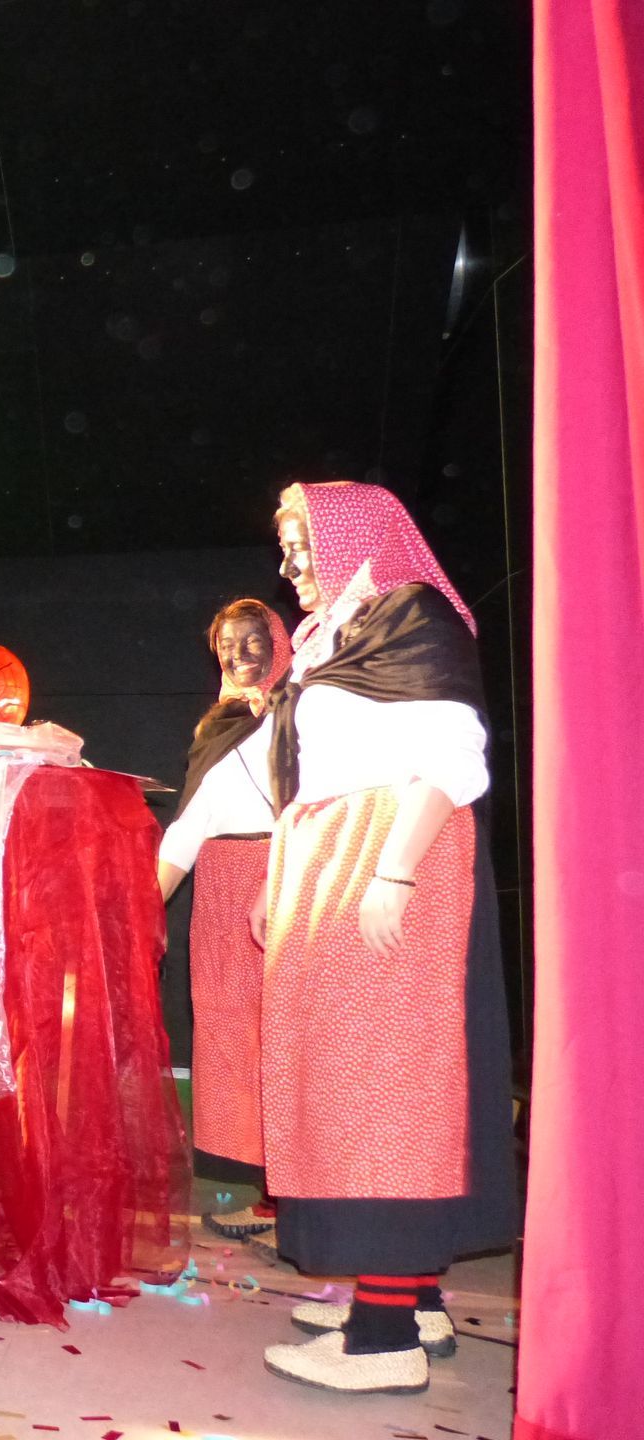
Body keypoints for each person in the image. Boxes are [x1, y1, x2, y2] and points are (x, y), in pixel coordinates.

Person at [248, 481, 514, 1395]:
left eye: (303, 543)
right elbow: (315, 769)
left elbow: (454, 753)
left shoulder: (410, 614)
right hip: (332, 850)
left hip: (388, 846)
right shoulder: (338, 635)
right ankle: (408, 1298)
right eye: (285, 548)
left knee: (389, 1087)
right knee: (349, 1081)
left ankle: (383, 1337)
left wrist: (394, 869)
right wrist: (283, 873)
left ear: (354, 537)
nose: (291, 565)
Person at [156, 600, 291, 1238]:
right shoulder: (219, 726)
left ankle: (300, 1196)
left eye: (252, 640)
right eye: (227, 645)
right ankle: (273, 1194)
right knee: (235, 1040)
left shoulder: (302, 711)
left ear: (279, 643)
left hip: (281, 875)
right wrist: (143, 907)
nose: (239, 655)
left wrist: (282, 872)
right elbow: (192, 823)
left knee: (285, 1041)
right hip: (219, 888)